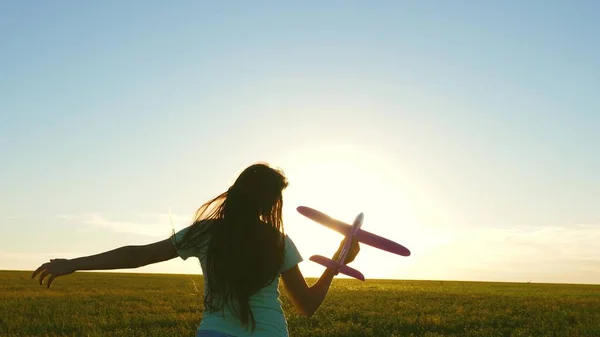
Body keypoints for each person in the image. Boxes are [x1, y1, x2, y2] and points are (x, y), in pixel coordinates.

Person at [31, 162, 360, 337]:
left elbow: (138, 255)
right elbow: (306, 306)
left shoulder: (207, 234)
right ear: (271, 203)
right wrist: (334, 266)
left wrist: (74, 263)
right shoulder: (278, 242)